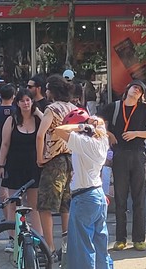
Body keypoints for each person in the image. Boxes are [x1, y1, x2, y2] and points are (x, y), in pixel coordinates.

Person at [100, 79, 146, 251]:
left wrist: (136, 134)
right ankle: (120, 238)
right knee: (120, 198)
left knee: (139, 198)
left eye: (140, 90)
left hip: (138, 154)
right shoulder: (114, 106)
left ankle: (139, 238)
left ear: (142, 95)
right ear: (128, 88)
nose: (136, 91)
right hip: (120, 155)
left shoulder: (144, 108)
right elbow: (97, 123)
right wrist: (109, 134)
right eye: (134, 87)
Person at [53, 109, 112, 269]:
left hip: (84, 196)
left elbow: (59, 130)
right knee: (100, 243)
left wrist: (79, 126)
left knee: (82, 247)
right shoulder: (102, 141)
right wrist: (90, 126)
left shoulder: (86, 143)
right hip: (97, 193)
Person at [35, 74, 77, 256]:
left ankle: (49, 247)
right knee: (65, 205)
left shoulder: (52, 109)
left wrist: (40, 157)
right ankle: (67, 248)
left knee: (45, 206)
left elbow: (40, 134)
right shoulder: (74, 108)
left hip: (54, 160)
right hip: (71, 159)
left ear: (52, 90)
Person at [0, 88, 43, 227]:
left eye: (28, 100)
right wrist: (1, 164)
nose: (25, 103)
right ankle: (13, 237)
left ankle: (38, 238)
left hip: (34, 166)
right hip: (15, 165)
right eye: (22, 101)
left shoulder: (37, 120)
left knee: (34, 205)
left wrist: (38, 113)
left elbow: (51, 129)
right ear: (17, 103)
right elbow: (5, 144)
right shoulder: (12, 120)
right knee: (14, 203)